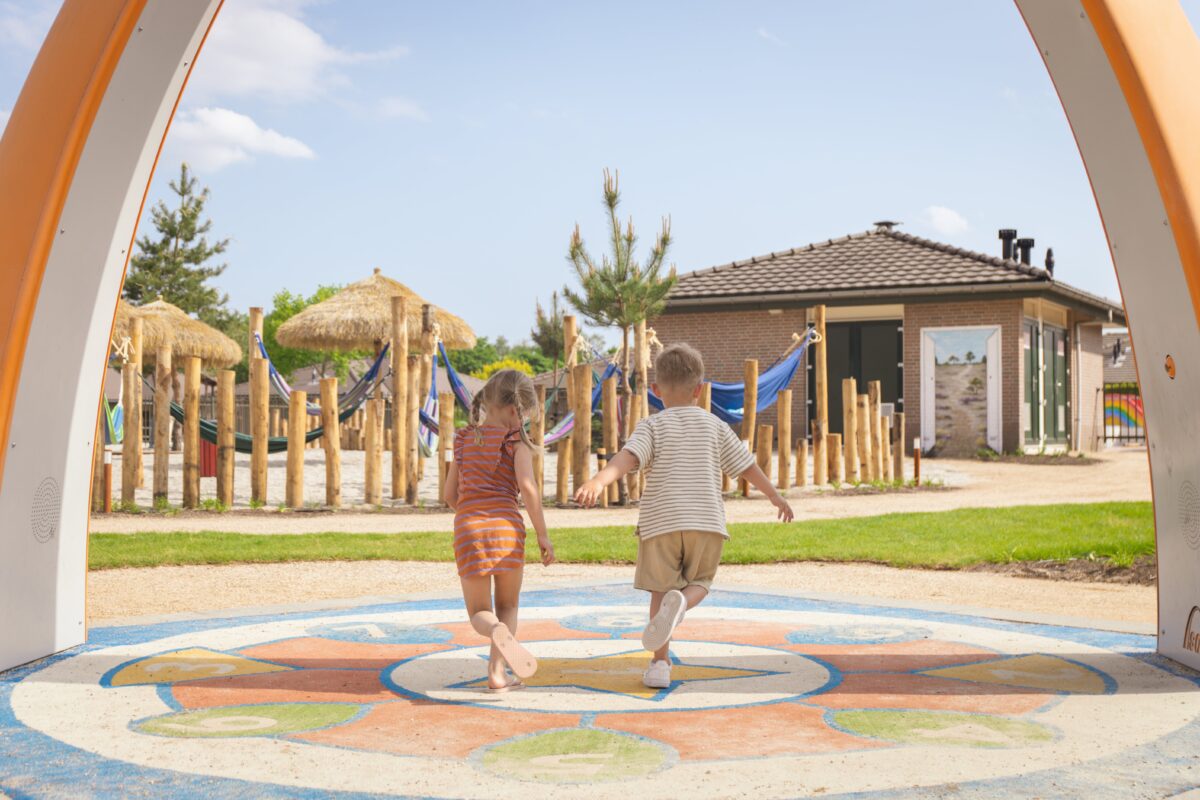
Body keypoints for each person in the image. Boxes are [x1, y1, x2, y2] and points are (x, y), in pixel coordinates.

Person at [575, 343, 793, 688]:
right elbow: (747, 467)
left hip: (660, 522)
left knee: (660, 593)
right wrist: (775, 496)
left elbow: (627, 458)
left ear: (656, 390)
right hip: (706, 521)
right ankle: (683, 604)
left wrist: (598, 481)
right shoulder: (715, 425)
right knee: (700, 583)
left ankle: (659, 665)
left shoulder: (651, 426)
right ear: (701, 389)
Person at [444, 369, 556, 692]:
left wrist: (472, 516)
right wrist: (543, 535)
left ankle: (494, 637)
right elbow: (528, 488)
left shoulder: (463, 440)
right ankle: (497, 672)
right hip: (506, 529)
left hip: (468, 530)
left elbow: (450, 496)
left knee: (480, 612)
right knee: (508, 606)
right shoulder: (516, 443)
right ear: (514, 411)